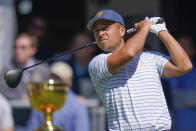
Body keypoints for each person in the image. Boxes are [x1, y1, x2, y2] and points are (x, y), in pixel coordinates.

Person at [87, 9, 192, 130]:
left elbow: (184, 66)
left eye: (105, 28)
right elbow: (128, 54)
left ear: (122, 31)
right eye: (97, 30)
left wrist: (161, 31)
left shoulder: (150, 57)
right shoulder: (97, 63)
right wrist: (144, 29)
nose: (100, 33)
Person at [26, 61, 90, 131]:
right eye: (52, 77)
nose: (54, 81)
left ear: (69, 82)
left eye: (59, 78)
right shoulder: (40, 102)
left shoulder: (78, 106)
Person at [0, 33, 50, 100]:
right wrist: (24, 97)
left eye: (23, 47)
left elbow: (48, 93)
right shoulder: (8, 70)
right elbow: (4, 93)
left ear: (33, 50)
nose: (18, 50)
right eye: (16, 47)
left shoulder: (43, 69)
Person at [165, 35, 196, 131]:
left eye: (183, 47)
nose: (180, 50)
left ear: (192, 51)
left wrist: (176, 98)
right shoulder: (166, 69)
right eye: (177, 46)